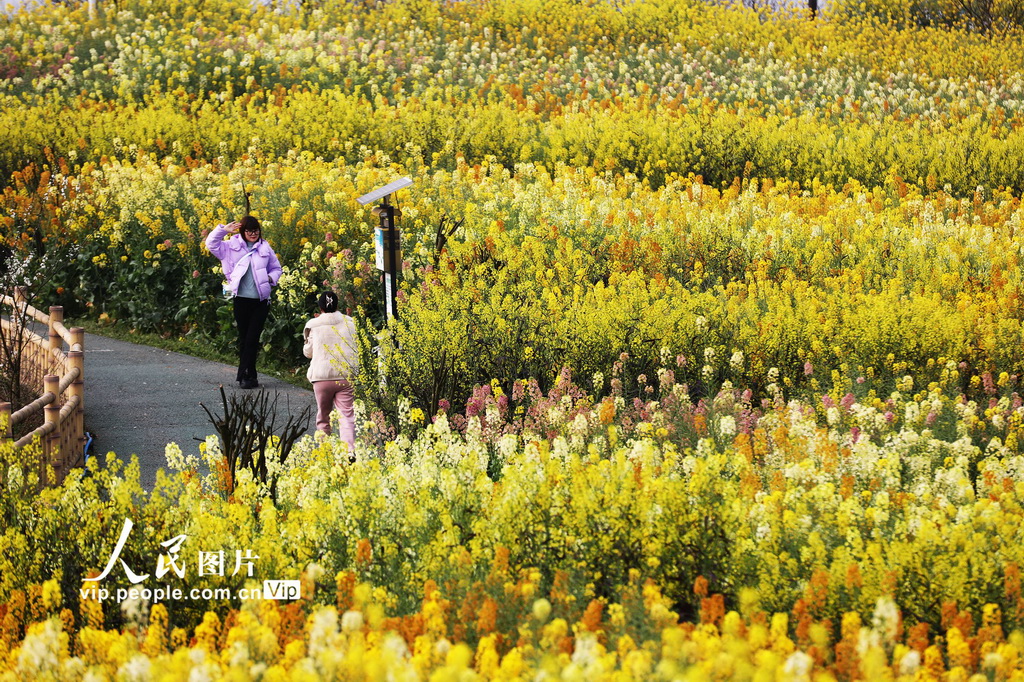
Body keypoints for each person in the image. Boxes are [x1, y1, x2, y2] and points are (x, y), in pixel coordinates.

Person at [205, 216, 281, 389]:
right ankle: (249, 376)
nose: (253, 234)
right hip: (241, 300)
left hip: (261, 301)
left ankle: (244, 375)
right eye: (249, 231)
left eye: (256, 231)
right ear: (242, 231)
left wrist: (270, 278)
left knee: (252, 338)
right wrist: (223, 230)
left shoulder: (265, 247)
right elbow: (210, 243)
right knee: (244, 338)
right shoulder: (229, 247)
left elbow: (277, 268)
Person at [303, 291, 357, 451]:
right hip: (346, 376)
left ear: (320, 308)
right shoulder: (350, 323)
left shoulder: (313, 325)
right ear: (338, 305)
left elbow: (308, 352)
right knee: (347, 416)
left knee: (323, 416)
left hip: (321, 377)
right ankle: (350, 452)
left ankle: (324, 452)